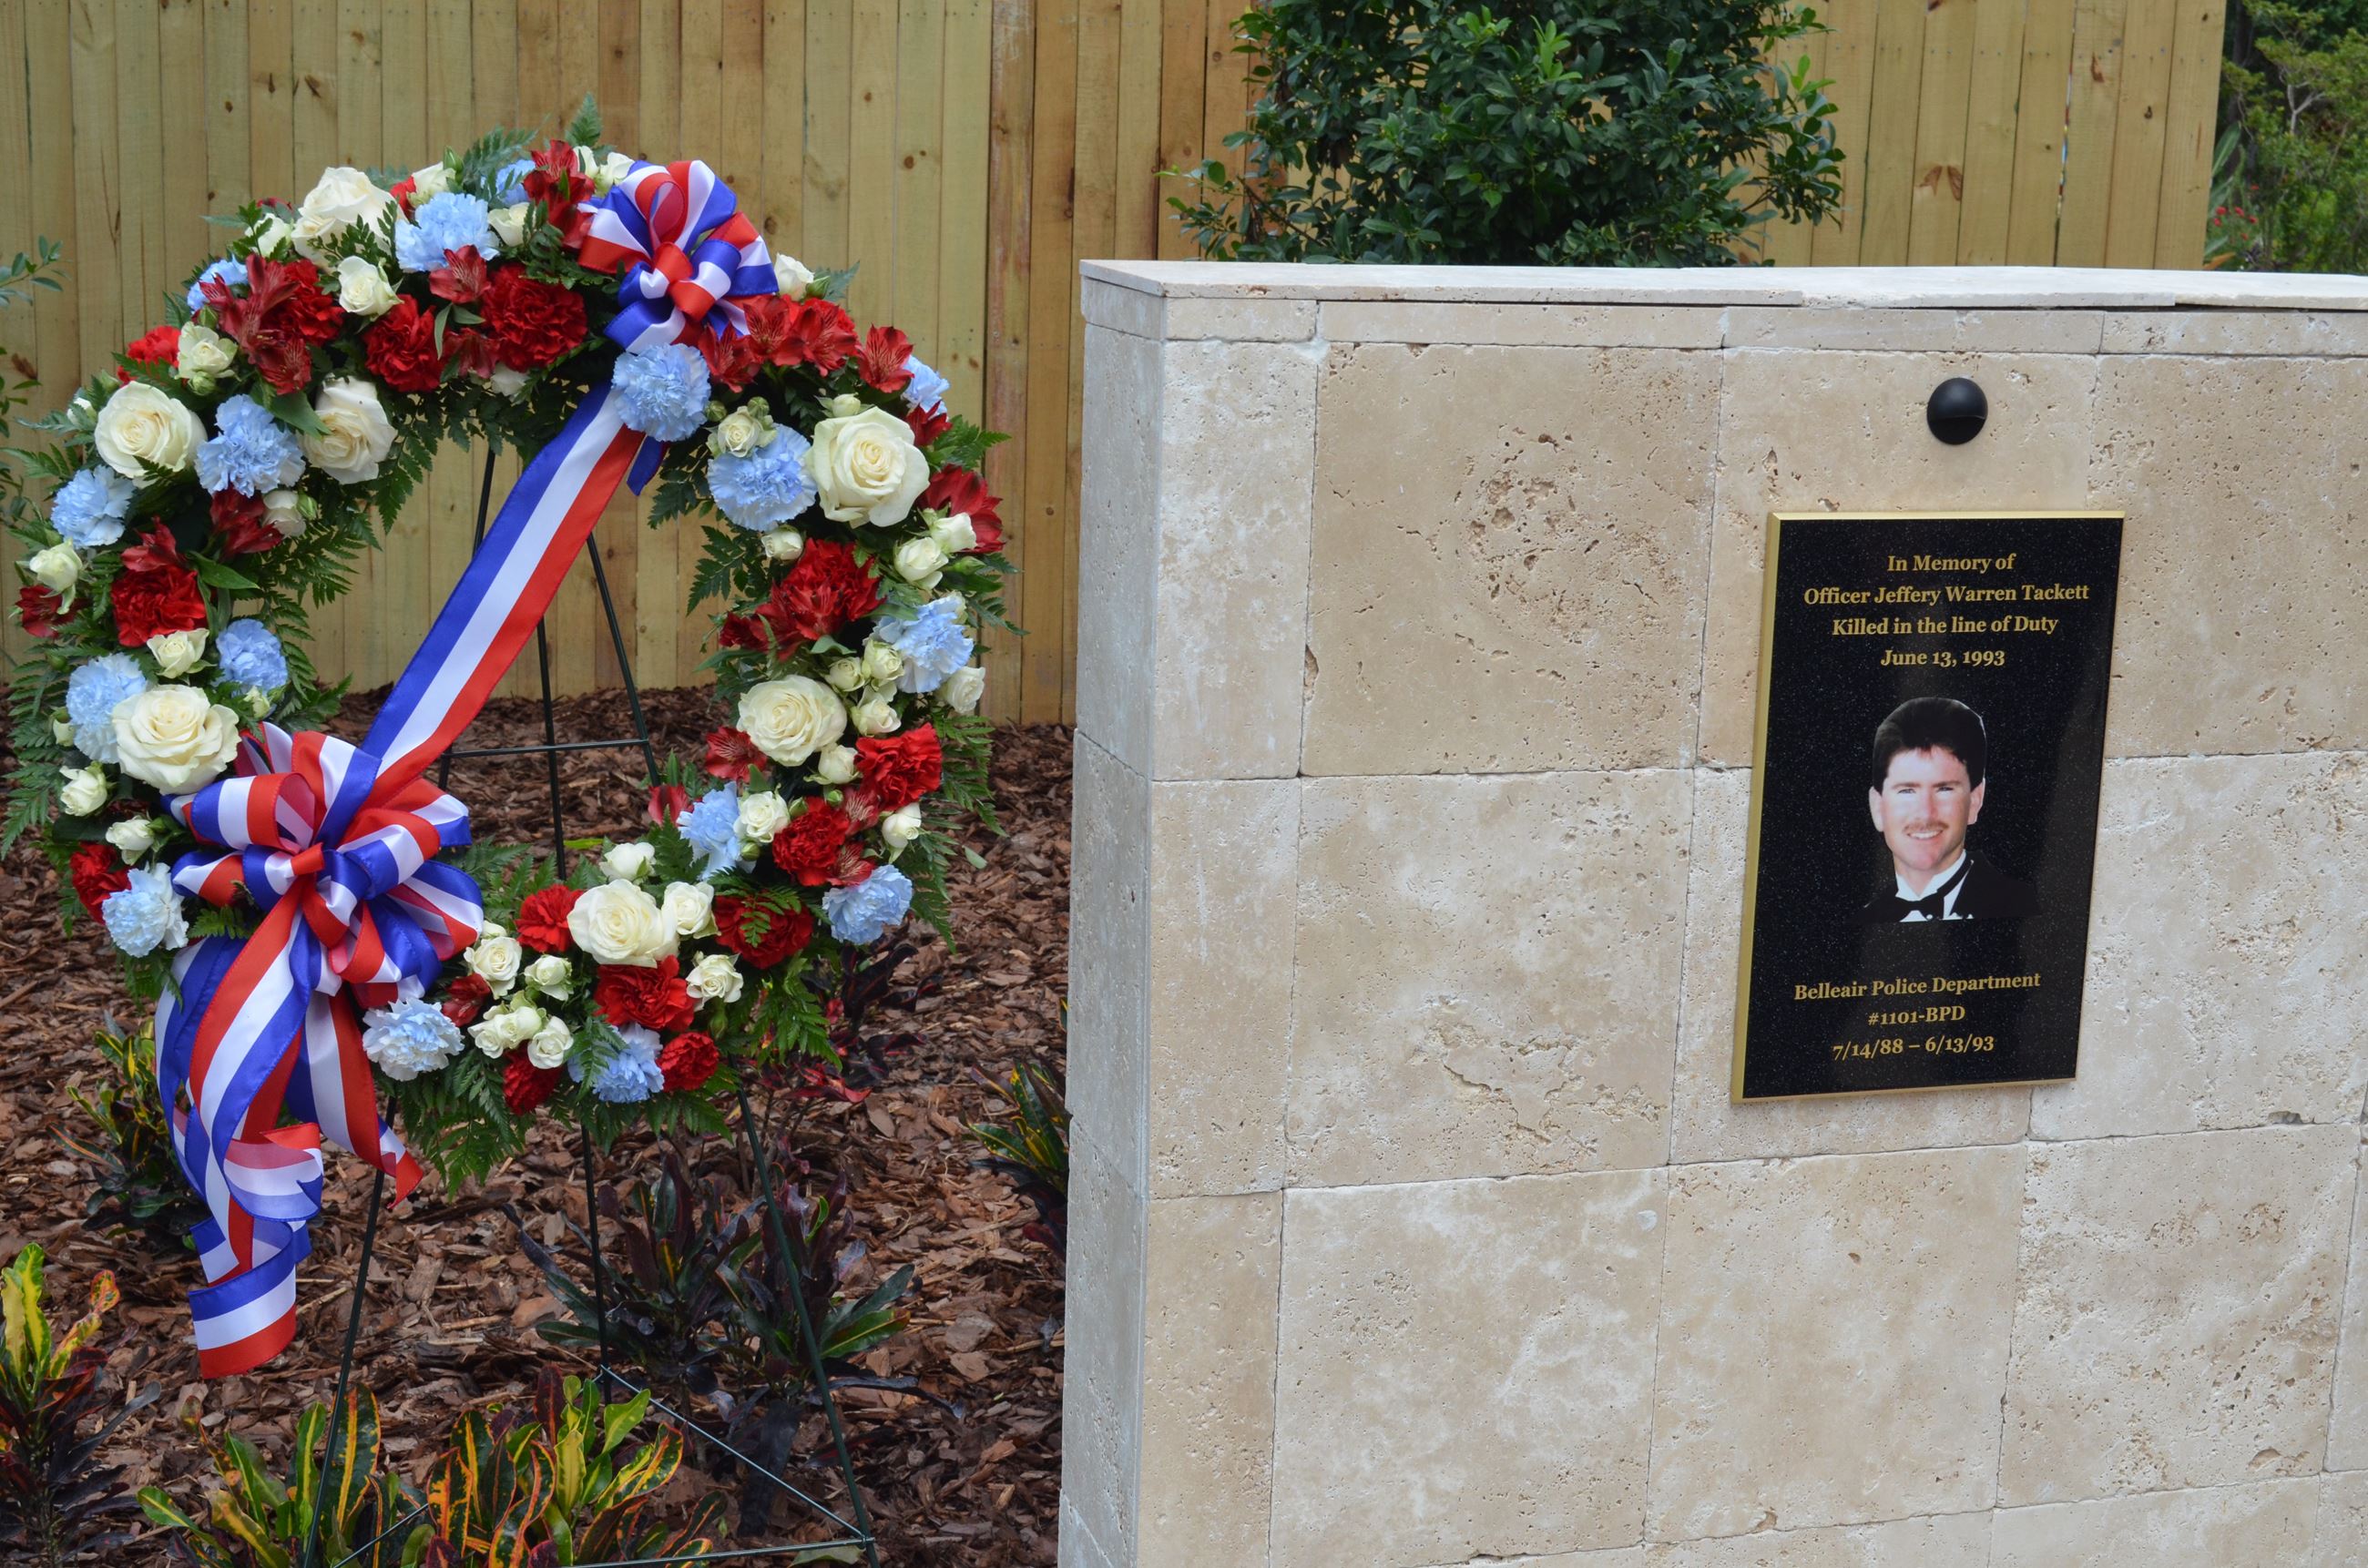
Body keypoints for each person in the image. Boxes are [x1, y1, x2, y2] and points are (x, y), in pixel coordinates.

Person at [1861, 697, 2036, 921]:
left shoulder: (2024, 906)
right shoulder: (1862, 922)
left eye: (1944, 789)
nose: (1925, 813)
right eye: (1907, 791)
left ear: (1975, 799)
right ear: (1877, 807)